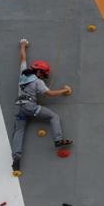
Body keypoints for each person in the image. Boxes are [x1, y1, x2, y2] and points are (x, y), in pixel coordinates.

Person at [11, 38, 73, 171]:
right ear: (39, 72)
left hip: (20, 108)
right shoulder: (38, 82)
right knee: (54, 117)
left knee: (19, 131)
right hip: (30, 107)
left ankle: (16, 158)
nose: (43, 76)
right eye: (43, 74)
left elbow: (22, 58)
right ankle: (58, 139)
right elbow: (50, 94)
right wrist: (65, 90)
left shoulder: (23, 74)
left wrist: (23, 45)